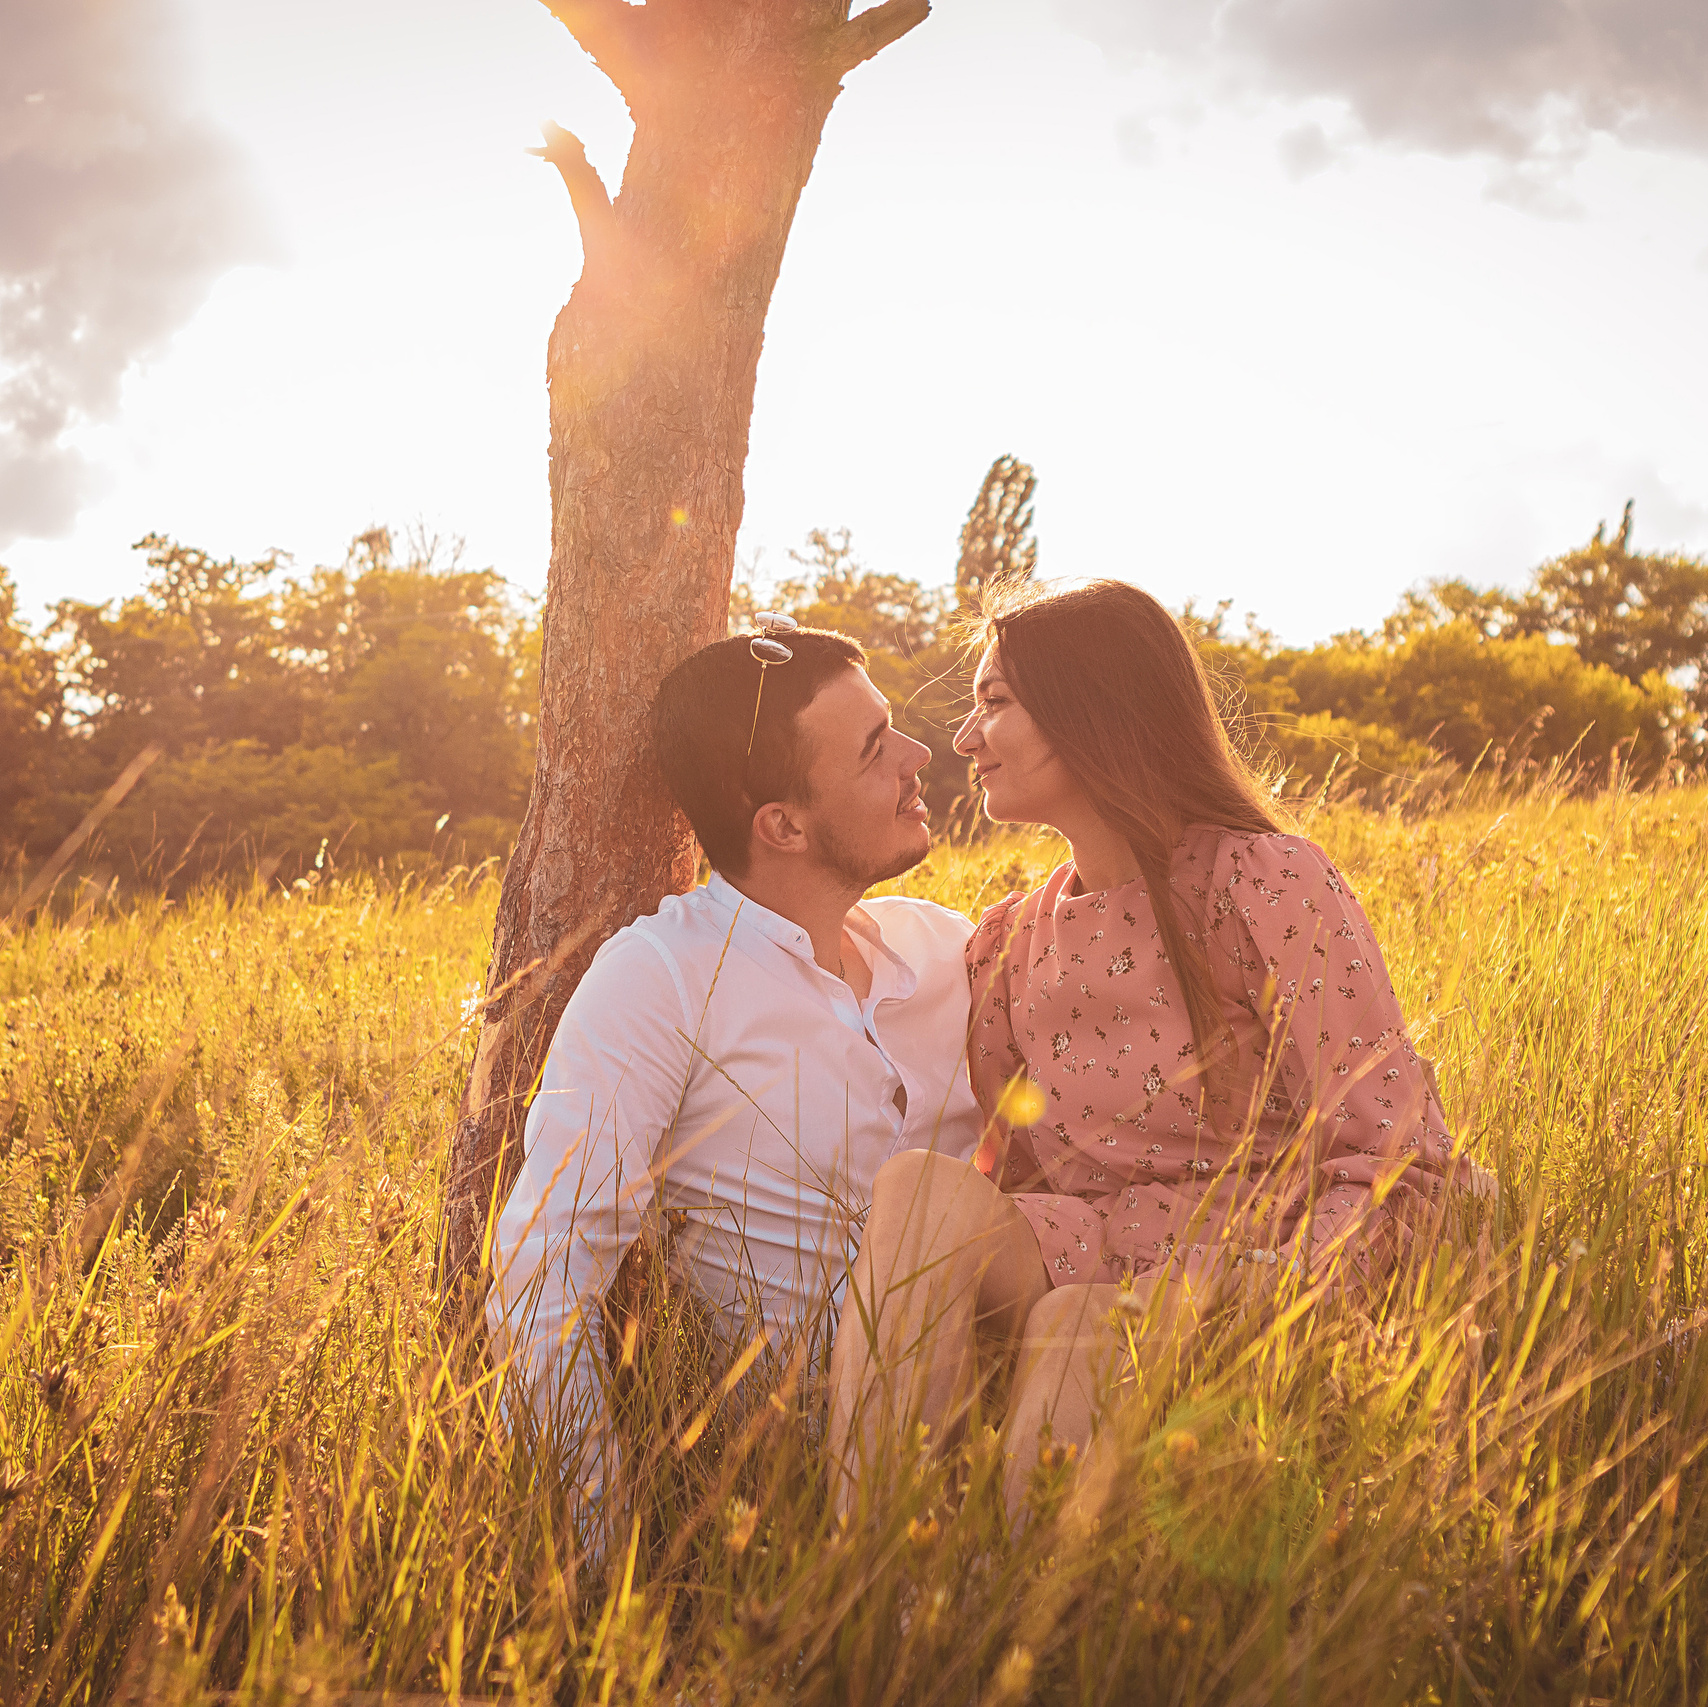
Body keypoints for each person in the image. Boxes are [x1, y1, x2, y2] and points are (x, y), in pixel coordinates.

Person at [830, 580, 1467, 1515]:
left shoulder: (1266, 881)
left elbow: (1396, 1156)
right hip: (1084, 1249)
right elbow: (1019, 1179)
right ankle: (870, 1575)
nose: (964, 739)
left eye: (994, 701)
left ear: (1093, 706)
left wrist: (1275, 1292)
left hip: (1248, 1263)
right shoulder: (1010, 940)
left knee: (1080, 1326)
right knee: (917, 1189)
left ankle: (1008, 1631)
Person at [485, 619, 986, 1486]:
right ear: (783, 826)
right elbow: (545, 1268)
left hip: (1023, 1406)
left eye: (892, 726)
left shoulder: (947, 948)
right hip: (822, 1467)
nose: (917, 755)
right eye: (874, 751)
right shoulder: (666, 975)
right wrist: (598, 1557)